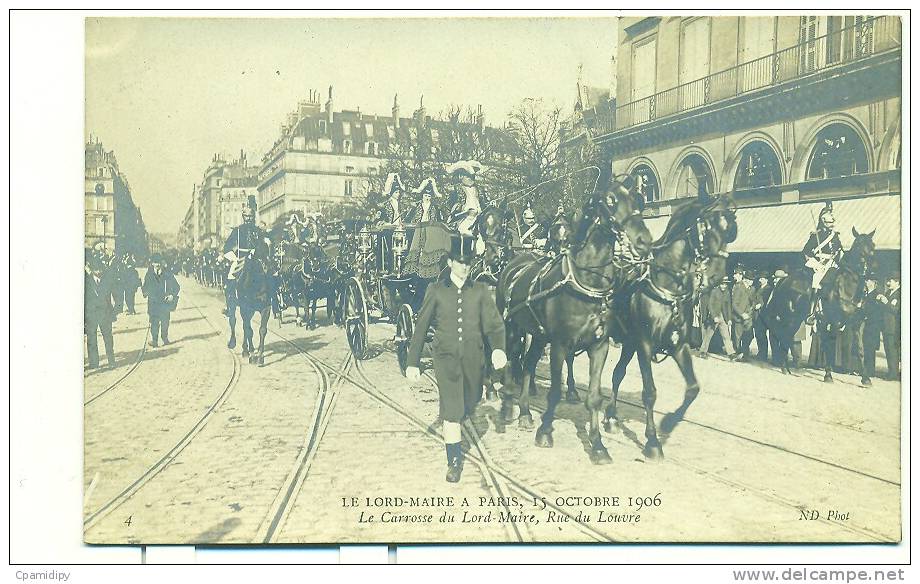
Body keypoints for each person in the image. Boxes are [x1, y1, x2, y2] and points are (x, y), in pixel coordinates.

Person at [405, 233, 507, 483]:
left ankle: (463, 413)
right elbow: (421, 326)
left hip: (474, 359)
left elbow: (494, 325)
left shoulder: (481, 291)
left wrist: (498, 348)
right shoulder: (436, 290)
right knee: (452, 411)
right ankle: (454, 461)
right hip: (445, 358)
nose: (465, 267)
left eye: (469, 262)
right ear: (450, 262)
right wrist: (412, 362)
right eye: (460, 262)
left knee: (469, 404)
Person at [802, 202, 844, 323]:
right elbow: (806, 252)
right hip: (820, 265)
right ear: (823, 221)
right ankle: (812, 312)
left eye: (832, 222)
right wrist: (815, 265)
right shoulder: (816, 236)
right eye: (829, 222)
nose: (831, 225)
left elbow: (840, 250)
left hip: (833, 264)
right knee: (818, 280)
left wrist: (839, 260)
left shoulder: (835, 236)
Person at [222, 206, 266, 315]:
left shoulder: (258, 231)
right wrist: (234, 259)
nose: (249, 219)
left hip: (256, 257)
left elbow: (263, 245)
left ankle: (274, 303)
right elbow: (227, 247)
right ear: (243, 217)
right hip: (240, 258)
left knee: (270, 273)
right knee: (231, 276)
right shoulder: (237, 230)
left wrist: (262, 249)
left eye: (251, 216)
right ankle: (230, 303)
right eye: (246, 216)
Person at [142, 254, 181, 348]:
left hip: (164, 302)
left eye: (159, 263)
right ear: (152, 263)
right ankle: (154, 340)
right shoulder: (149, 274)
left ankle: (165, 338)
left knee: (165, 321)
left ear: (162, 263)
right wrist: (145, 292)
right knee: (154, 322)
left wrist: (172, 295)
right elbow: (145, 287)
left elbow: (177, 286)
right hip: (153, 303)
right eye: (155, 263)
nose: (157, 265)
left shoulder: (167, 274)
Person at [85, 257, 116, 369]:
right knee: (91, 338)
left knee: (108, 338)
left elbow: (115, 293)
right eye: (96, 270)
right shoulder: (86, 281)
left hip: (105, 313)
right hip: (91, 314)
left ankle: (111, 360)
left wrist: (116, 308)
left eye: (100, 270)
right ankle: (94, 363)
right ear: (92, 270)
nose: (99, 272)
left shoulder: (107, 279)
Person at [702, 278, 738, 359]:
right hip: (715, 316)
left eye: (725, 284)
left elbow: (728, 306)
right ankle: (703, 351)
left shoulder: (727, 292)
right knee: (708, 335)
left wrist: (729, 319)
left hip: (723, 316)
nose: (724, 286)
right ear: (719, 284)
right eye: (722, 284)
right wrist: (714, 316)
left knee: (726, 335)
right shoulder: (714, 291)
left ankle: (731, 354)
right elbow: (710, 305)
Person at [445, 160, 486, 228]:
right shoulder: (455, 188)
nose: (470, 179)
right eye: (467, 176)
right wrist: (457, 207)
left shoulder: (479, 189)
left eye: (472, 177)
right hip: (462, 216)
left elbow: (483, 203)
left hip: (478, 216)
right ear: (461, 177)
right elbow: (448, 204)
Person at [860, 276, 884, 386]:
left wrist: (865, 316)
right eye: (866, 280)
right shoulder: (865, 294)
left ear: (874, 282)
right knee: (865, 347)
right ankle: (866, 370)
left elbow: (877, 312)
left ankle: (870, 371)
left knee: (870, 348)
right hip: (866, 325)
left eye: (868, 280)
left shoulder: (877, 295)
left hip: (872, 325)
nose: (866, 282)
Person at [879, 272, 901, 380]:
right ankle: (890, 372)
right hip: (886, 326)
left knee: (893, 351)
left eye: (890, 281)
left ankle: (894, 374)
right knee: (887, 350)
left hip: (893, 328)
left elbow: (896, 310)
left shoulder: (900, 294)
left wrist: (886, 302)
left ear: (897, 282)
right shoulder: (888, 292)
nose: (888, 283)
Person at [731, 271, 756, 360]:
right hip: (739, 317)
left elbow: (754, 300)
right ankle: (738, 353)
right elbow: (734, 304)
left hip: (748, 317)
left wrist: (752, 308)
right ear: (745, 279)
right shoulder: (739, 288)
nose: (750, 282)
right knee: (737, 337)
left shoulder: (752, 289)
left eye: (752, 280)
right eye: (749, 280)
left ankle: (744, 352)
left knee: (749, 336)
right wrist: (741, 314)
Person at [753, 272, 772, 361]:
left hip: (763, 315)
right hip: (757, 314)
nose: (760, 280)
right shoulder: (759, 288)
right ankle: (761, 352)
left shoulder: (768, 289)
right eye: (760, 278)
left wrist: (760, 304)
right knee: (758, 334)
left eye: (762, 278)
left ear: (766, 280)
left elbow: (767, 301)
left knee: (762, 334)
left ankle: (763, 354)